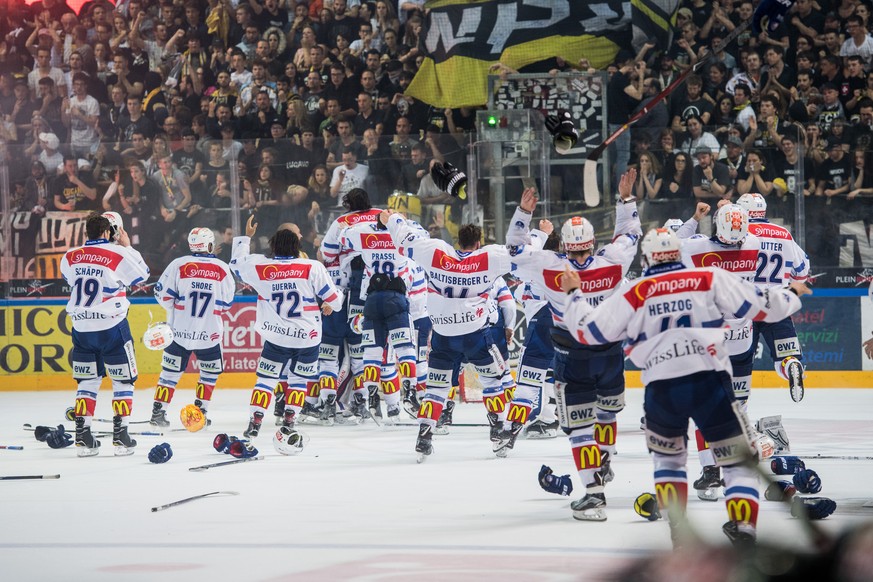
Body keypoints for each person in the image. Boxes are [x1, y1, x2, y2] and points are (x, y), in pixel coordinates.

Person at [561, 227, 810, 549]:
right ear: (678, 253)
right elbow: (764, 307)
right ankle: (744, 525)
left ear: (648, 257)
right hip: (711, 381)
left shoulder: (635, 291)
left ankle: (678, 527)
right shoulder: (708, 277)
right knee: (737, 462)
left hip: (662, 389)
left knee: (669, 463)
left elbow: (589, 332)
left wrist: (572, 295)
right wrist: (792, 291)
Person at [505, 171, 641, 520]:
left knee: (580, 428)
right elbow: (631, 235)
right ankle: (606, 456)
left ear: (564, 246)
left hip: (571, 356)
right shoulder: (612, 262)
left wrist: (523, 214)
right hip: (610, 354)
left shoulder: (551, 267)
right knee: (607, 413)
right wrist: (626, 200)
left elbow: (515, 250)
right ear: (593, 244)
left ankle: (594, 495)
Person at [383, 208, 515, 462]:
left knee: (436, 387)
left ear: (458, 242)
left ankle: (425, 434)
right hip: (476, 335)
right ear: (478, 244)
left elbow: (403, 238)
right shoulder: (488, 257)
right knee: (493, 383)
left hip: (442, 334)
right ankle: (498, 430)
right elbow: (522, 254)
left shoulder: (436, 251)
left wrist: (395, 218)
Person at [675, 202, 761, 501]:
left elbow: (671, 243)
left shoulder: (697, 248)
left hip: (713, 339)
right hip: (743, 338)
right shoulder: (753, 243)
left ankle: (711, 471)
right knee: (738, 403)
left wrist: (695, 218)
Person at [232, 216, 343, 440]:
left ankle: (255, 421)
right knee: (298, 382)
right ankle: (290, 420)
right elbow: (336, 300)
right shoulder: (312, 267)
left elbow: (235, 264)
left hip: (277, 337)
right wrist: (331, 302)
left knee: (265, 381)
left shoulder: (260, 266)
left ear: (272, 245)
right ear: (298, 246)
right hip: (307, 337)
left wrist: (246, 238)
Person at [60, 213, 150, 457]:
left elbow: (71, 279)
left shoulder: (70, 256)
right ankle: (121, 437)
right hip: (111, 327)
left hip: (81, 329)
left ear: (86, 232)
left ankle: (83, 437)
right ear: (109, 232)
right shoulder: (117, 253)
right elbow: (143, 275)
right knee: (123, 381)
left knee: (87, 382)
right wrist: (128, 246)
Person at [339, 210, 420, 423]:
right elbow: (422, 237)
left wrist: (350, 227)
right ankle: (410, 390)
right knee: (404, 349)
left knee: (373, 352)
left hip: (372, 299)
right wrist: (399, 220)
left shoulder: (364, 232)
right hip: (396, 297)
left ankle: (372, 393)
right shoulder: (405, 233)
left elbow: (343, 236)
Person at [150, 228, 235, 428]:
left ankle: (157, 412)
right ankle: (201, 412)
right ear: (210, 245)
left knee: (169, 375)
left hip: (179, 332)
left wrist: (178, 312)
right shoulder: (222, 268)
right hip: (209, 333)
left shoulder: (178, 264)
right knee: (209, 374)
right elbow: (226, 304)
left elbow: (162, 296)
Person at [737, 193, 810, 402]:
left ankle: (738, 401)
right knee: (785, 357)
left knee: (740, 361)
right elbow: (803, 270)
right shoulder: (783, 233)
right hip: (777, 303)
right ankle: (792, 365)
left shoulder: (740, 232)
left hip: (746, 306)